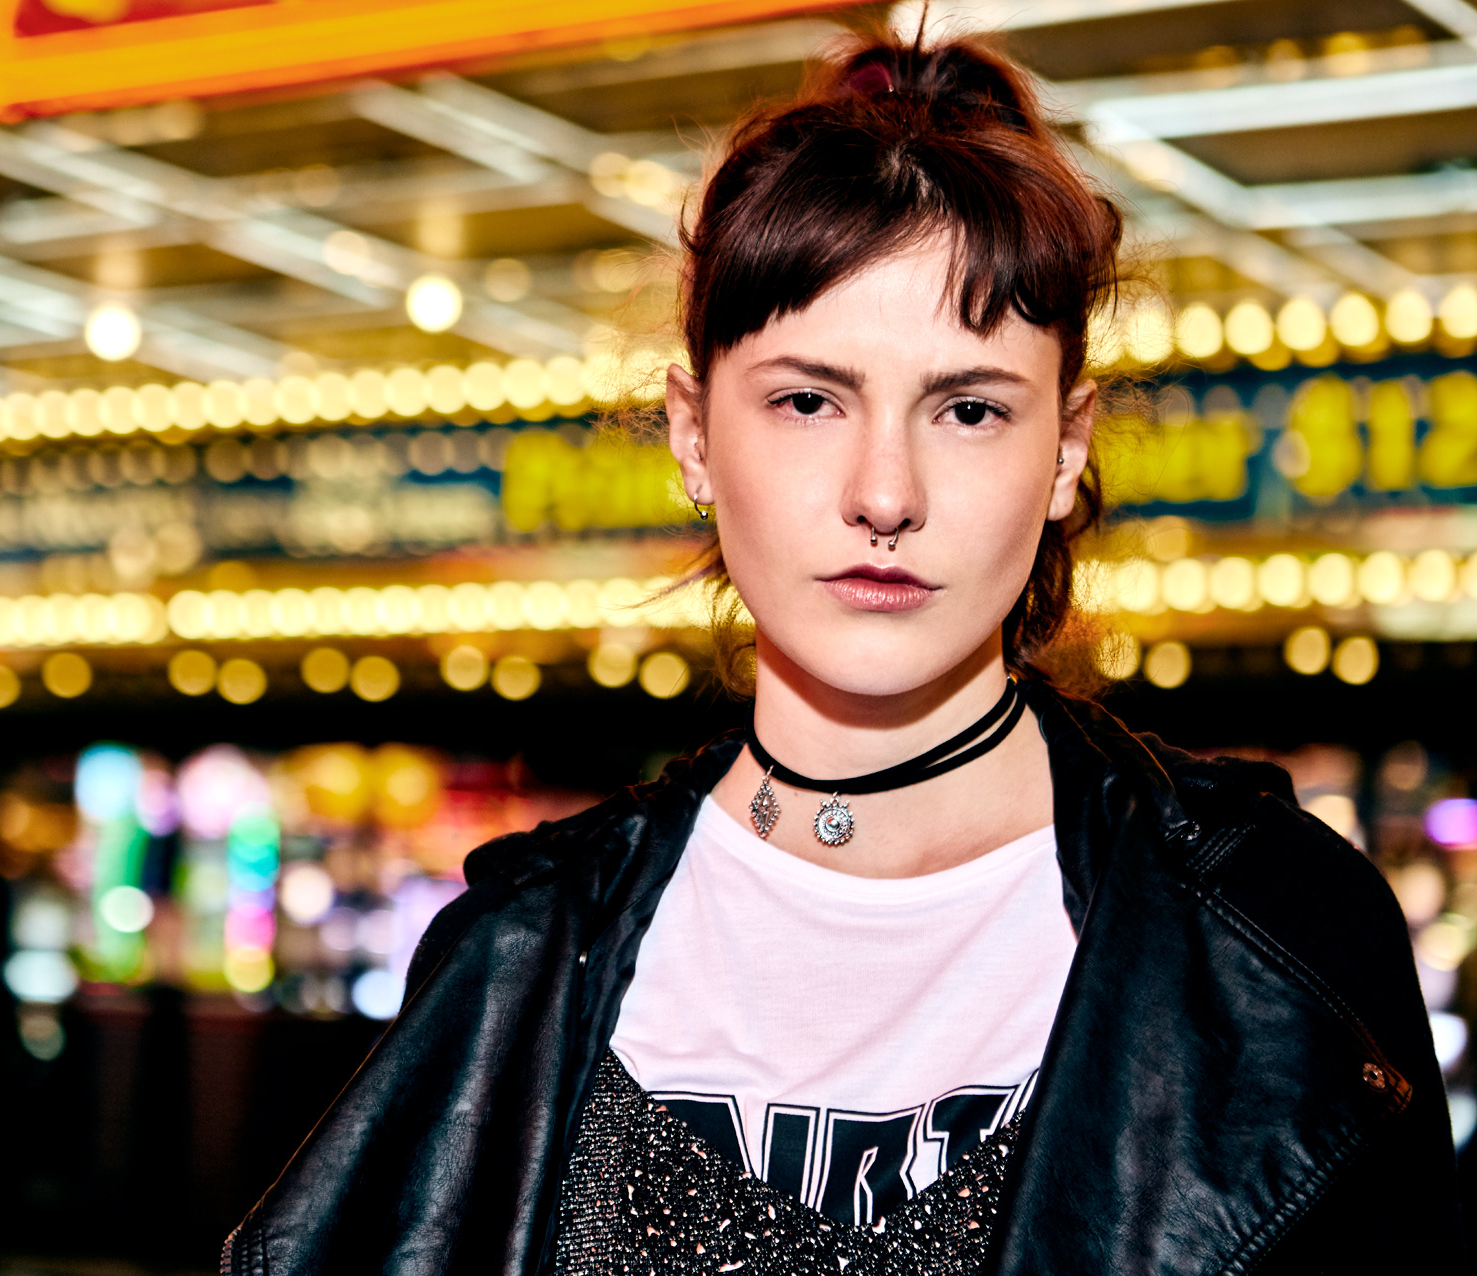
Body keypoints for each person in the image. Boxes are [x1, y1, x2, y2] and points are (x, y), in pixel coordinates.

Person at [223, 28, 1462, 1275]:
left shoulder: (1279, 943)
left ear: (1065, 448)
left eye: (967, 409)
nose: (884, 493)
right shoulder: (514, 956)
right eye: (807, 400)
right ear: (693, 435)